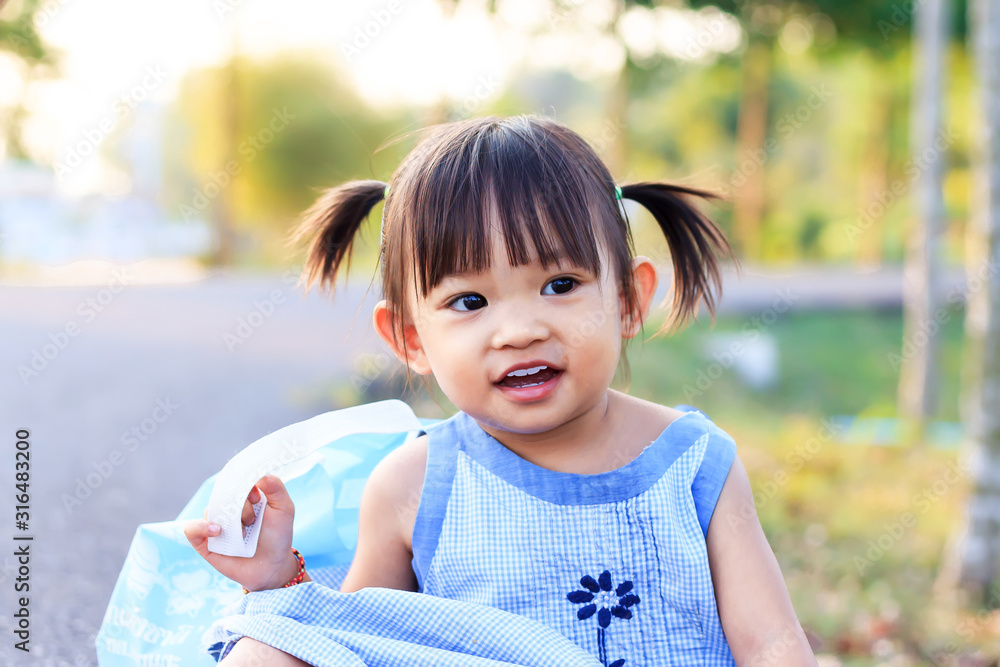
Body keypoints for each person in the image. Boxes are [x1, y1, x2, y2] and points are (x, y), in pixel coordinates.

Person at [185, 114, 818, 666]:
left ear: (628, 300)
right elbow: (356, 640)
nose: (518, 330)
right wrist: (277, 581)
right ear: (409, 337)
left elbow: (770, 644)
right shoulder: (413, 485)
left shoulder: (693, 464)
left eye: (560, 285)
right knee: (263, 647)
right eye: (469, 301)